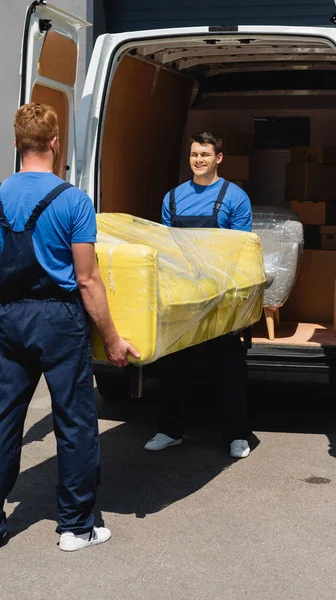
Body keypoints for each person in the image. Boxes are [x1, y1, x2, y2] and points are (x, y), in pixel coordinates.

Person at [0, 102, 138, 553]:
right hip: (60, 319)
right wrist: (112, 338)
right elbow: (87, 279)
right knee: (74, 422)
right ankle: (75, 528)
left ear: (15, 143)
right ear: (54, 144)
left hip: (11, 317)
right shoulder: (73, 201)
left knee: (3, 421)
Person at [144, 132, 252, 459]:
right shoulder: (173, 198)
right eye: (194, 155)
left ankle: (237, 435)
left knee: (228, 367)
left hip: (221, 295)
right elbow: (166, 246)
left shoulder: (235, 198)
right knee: (173, 366)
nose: (199, 160)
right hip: (183, 293)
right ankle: (169, 431)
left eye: (205, 154)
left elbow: (240, 252)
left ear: (219, 158)